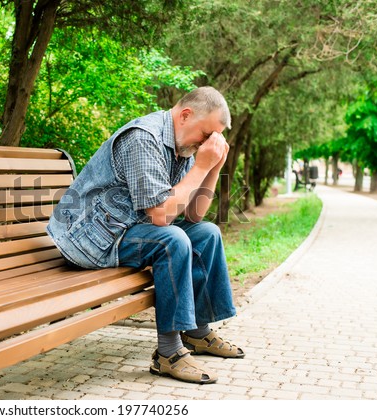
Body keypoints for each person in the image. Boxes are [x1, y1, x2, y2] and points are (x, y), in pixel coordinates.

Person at [47, 86, 244, 385]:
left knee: (207, 233)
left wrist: (212, 167)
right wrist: (202, 164)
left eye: (213, 139)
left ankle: (197, 332)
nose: (207, 144)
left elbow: (195, 215)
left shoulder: (184, 146)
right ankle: (168, 353)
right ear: (185, 115)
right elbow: (163, 216)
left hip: (126, 228)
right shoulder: (144, 138)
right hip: (89, 239)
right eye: (206, 135)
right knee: (173, 241)